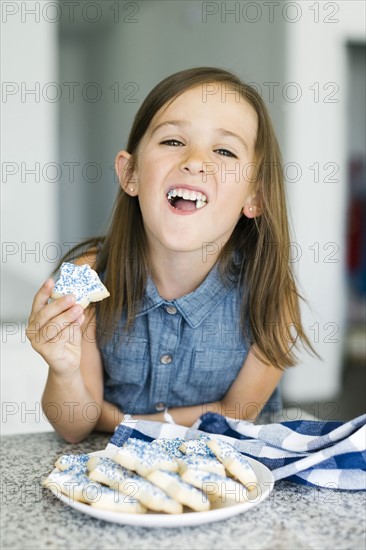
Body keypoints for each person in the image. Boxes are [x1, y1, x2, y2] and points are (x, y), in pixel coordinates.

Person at [26, 67, 317, 443]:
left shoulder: (273, 297)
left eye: (224, 150)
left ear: (255, 197)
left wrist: (114, 418)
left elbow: (234, 417)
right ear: (129, 173)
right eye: (173, 142)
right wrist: (63, 370)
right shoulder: (87, 277)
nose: (195, 161)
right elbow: (74, 425)